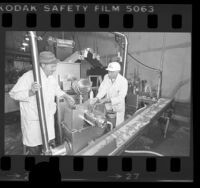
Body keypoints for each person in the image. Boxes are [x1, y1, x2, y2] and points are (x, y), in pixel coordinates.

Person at [9, 51, 75, 155]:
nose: (54, 69)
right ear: (43, 65)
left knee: (49, 148)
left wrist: (66, 96)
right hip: (33, 121)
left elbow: (57, 90)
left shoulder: (51, 78)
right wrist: (30, 92)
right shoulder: (28, 76)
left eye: (55, 66)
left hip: (48, 120)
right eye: (52, 66)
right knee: (34, 150)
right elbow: (13, 94)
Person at [90, 62, 128, 126]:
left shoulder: (123, 81)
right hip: (108, 106)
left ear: (117, 72)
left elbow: (121, 97)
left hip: (118, 106)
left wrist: (107, 100)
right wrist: (97, 98)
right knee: (108, 123)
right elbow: (103, 89)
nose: (109, 74)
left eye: (112, 72)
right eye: (108, 71)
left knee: (118, 126)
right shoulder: (106, 77)